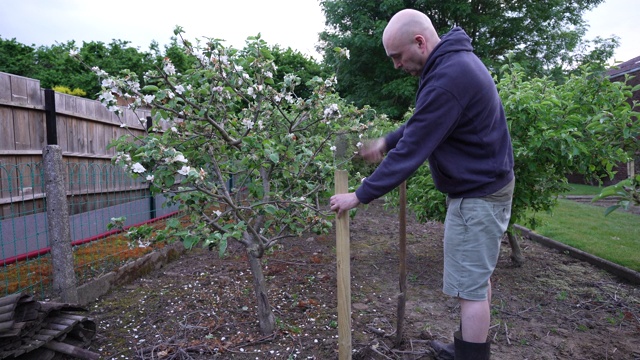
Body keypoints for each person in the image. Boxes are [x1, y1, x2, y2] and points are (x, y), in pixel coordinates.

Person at [329, 8, 514, 360]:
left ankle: (470, 357)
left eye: (397, 56)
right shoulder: (452, 65)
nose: (396, 65)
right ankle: (466, 349)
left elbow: (413, 149)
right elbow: (422, 122)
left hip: (478, 196)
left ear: (420, 41)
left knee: (470, 290)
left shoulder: (449, 77)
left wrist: (359, 195)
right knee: (475, 282)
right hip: (484, 187)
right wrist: (386, 142)